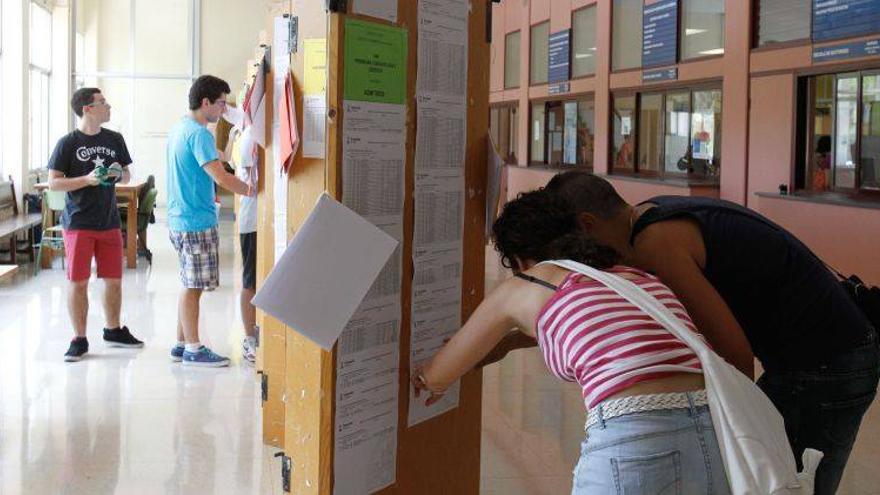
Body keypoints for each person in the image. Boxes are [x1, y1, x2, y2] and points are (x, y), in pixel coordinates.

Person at [541, 171, 879, 494]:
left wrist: (708, 425)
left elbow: (736, 356)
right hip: (823, 354)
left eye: (572, 248)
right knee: (768, 473)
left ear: (587, 225)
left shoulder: (655, 244)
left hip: (830, 362)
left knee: (783, 484)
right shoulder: (655, 211)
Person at [413, 189, 730, 494]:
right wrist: (509, 342)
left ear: (520, 261)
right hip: (717, 434)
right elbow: (609, 331)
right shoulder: (636, 278)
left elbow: (438, 374)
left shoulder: (526, 284)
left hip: (636, 437)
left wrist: (428, 377)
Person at [48, 87, 144, 362]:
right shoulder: (68, 143)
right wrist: (86, 180)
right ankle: (78, 338)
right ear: (88, 109)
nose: (108, 106)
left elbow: (126, 174)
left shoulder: (115, 139)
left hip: (109, 222)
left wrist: (118, 174)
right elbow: (54, 181)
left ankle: (113, 330)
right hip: (78, 222)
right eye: (102, 102)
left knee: (113, 281)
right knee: (78, 282)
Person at [166, 75, 255, 367]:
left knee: (188, 283)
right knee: (193, 287)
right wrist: (254, 191)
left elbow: (220, 161)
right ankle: (193, 348)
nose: (223, 110)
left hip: (181, 218)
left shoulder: (181, 127)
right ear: (206, 103)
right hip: (195, 221)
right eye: (220, 103)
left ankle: (182, 343)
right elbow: (221, 176)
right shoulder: (200, 134)